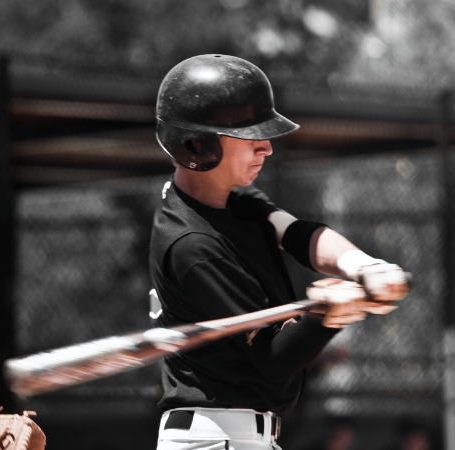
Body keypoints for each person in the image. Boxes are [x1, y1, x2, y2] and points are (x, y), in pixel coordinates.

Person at [148, 54, 411, 450]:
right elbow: (275, 356)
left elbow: (299, 236)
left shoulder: (230, 201)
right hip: (214, 437)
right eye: (250, 137)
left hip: (239, 436)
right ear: (196, 144)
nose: (266, 148)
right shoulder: (193, 244)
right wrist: (327, 315)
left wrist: (363, 266)